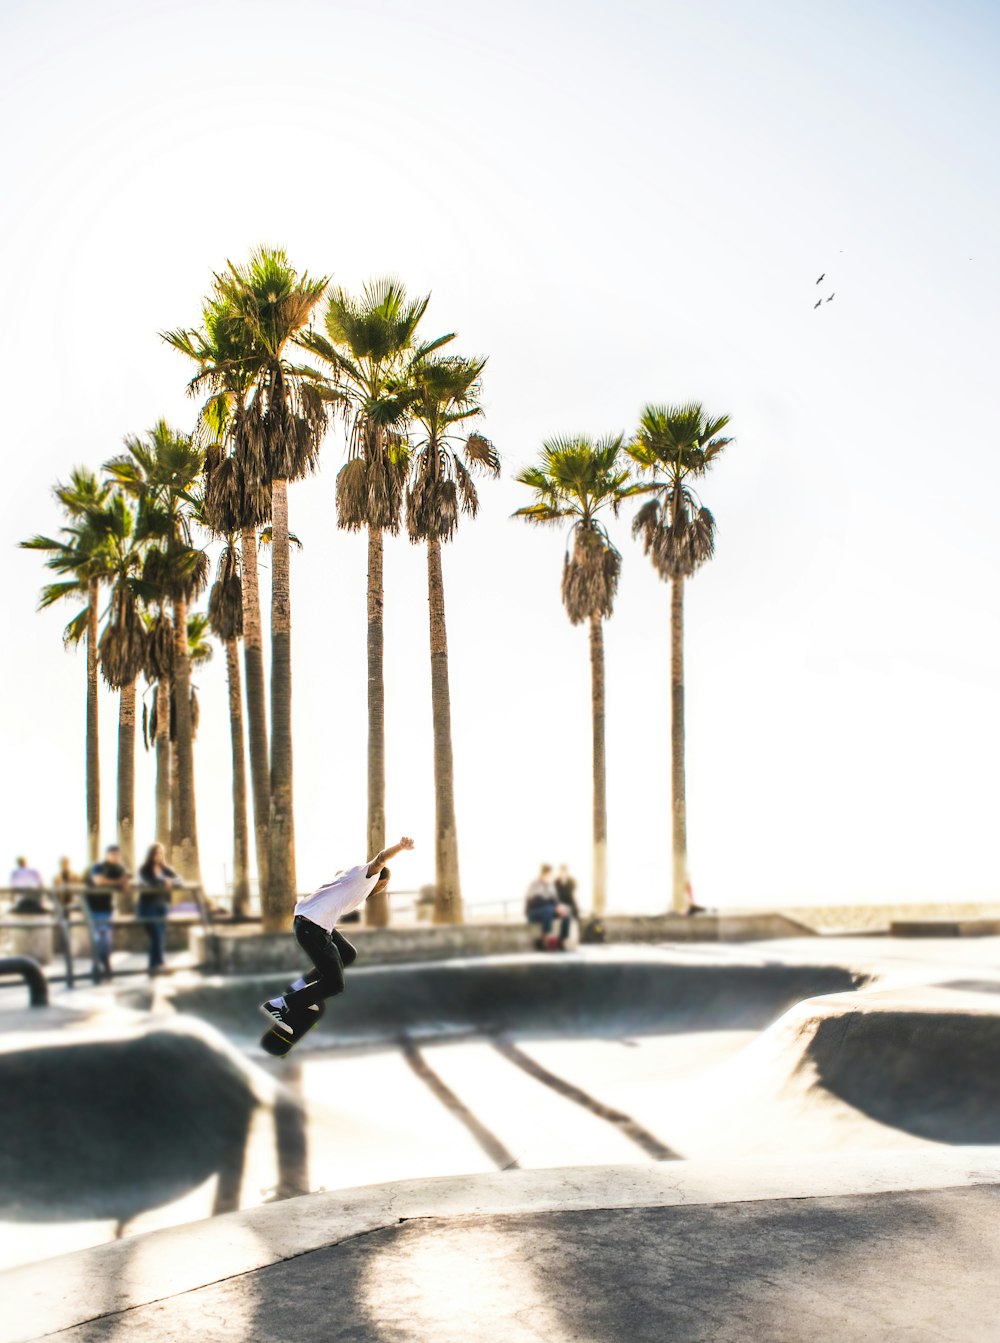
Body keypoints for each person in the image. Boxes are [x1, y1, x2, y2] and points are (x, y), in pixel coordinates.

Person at [260, 836, 415, 1037]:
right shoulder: (368, 875)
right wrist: (400, 848)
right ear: (382, 881)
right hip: (312, 928)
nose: (381, 890)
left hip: (309, 922)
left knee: (347, 953)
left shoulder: (351, 878)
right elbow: (380, 859)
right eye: (383, 887)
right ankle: (279, 1005)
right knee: (334, 984)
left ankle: (298, 988)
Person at [87, 845, 131, 982]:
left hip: (106, 908)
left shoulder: (119, 869)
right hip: (92, 906)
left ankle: (101, 966)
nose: (114, 857)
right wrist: (116, 882)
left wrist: (122, 882)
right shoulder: (99, 867)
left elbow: (125, 886)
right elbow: (98, 881)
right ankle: (101, 966)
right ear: (107, 855)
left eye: (116, 854)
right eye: (112, 854)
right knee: (99, 938)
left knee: (105, 938)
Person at [137, 843, 181, 975]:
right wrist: (164, 882)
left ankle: (152, 967)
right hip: (147, 907)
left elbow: (179, 881)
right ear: (151, 854)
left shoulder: (166, 870)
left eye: (161, 853)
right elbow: (147, 883)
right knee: (156, 935)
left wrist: (171, 882)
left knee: (158, 936)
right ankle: (161, 963)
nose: (158, 856)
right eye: (156, 853)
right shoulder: (144, 870)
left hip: (162, 907)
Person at [525, 863, 571, 951]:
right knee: (548, 910)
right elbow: (536, 901)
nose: (549, 876)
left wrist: (559, 907)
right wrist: (554, 907)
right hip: (534, 912)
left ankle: (562, 940)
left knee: (567, 910)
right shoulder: (534, 884)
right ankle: (544, 940)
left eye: (550, 874)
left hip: (548, 909)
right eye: (547, 874)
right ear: (542, 874)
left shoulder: (550, 884)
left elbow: (554, 900)